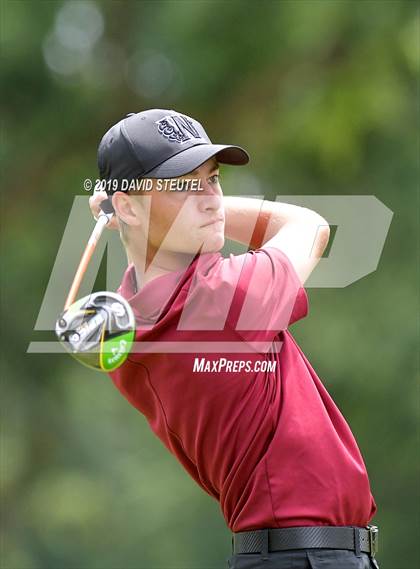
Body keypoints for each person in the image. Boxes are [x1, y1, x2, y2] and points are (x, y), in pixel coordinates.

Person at [89, 109, 380, 569]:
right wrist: (133, 209)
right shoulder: (218, 301)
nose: (210, 199)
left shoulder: (129, 324)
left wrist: (131, 213)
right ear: (126, 205)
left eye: (213, 179)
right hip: (307, 558)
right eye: (183, 185)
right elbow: (310, 227)